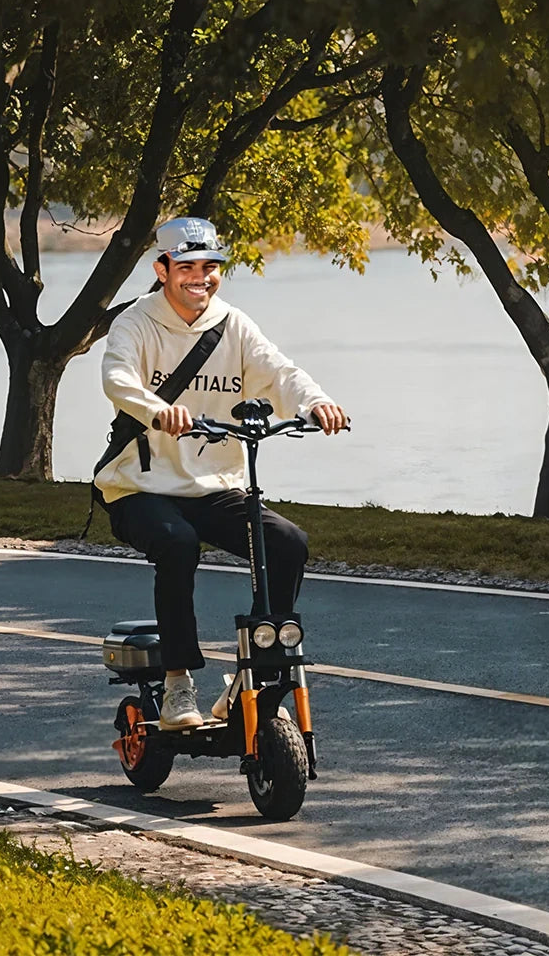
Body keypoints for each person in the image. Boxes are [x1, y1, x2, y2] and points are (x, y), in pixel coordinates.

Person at [97, 217, 347, 731]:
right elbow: (118, 377)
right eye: (186, 267)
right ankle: (177, 682)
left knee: (286, 543)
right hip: (141, 487)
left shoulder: (233, 325)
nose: (201, 278)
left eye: (210, 267)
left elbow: (280, 373)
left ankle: (248, 674)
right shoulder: (136, 323)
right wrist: (154, 409)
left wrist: (316, 400)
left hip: (214, 487)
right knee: (177, 544)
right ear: (162, 269)